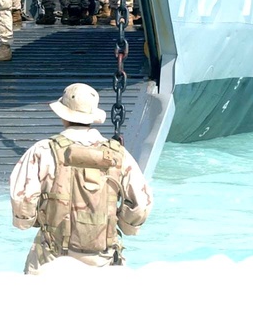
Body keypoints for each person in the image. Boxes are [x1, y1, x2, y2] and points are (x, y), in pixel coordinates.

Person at [9, 83, 152, 272]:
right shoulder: (118, 154)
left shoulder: (43, 150)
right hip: (104, 259)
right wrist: (126, 226)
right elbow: (141, 203)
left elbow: (22, 198)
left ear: (63, 115)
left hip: (52, 257)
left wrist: (25, 221)